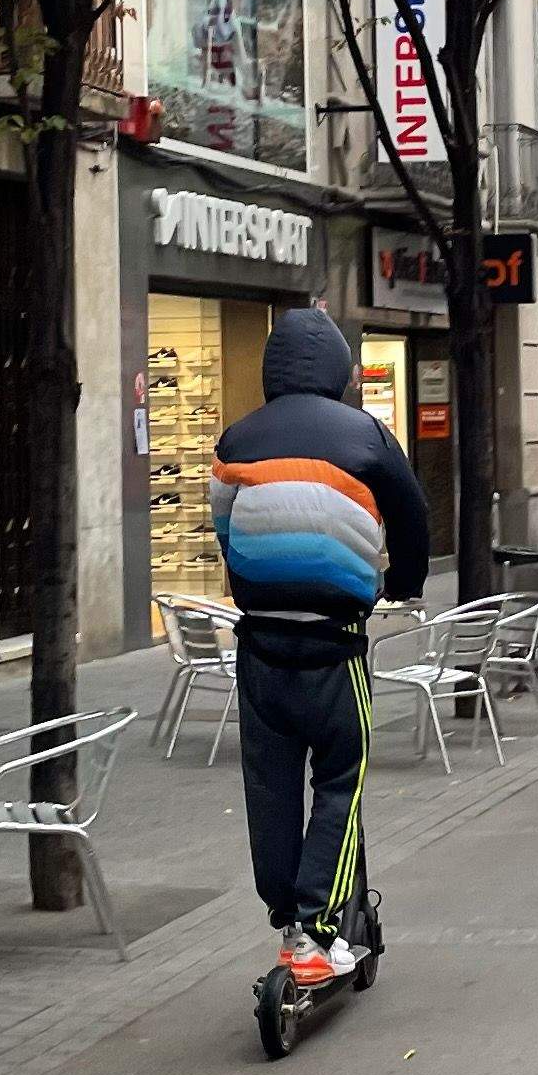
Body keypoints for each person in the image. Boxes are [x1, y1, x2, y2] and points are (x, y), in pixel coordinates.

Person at [211, 310, 428, 987]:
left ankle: (284, 917)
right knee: (341, 777)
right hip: (333, 644)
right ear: (337, 369)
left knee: (269, 786)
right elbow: (412, 512)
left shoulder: (236, 437)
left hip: (260, 642)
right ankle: (319, 930)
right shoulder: (365, 433)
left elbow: (223, 523)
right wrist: (403, 582)